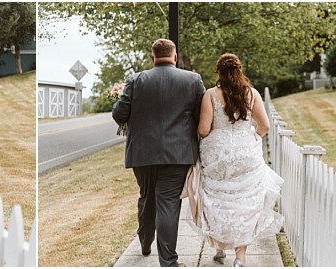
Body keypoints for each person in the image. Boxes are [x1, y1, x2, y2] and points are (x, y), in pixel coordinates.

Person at [112, 38, 206, 267]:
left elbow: (119, 114)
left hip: (142, 153)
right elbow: (200, 116)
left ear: (152, 57)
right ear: (175, 57)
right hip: (178, 153)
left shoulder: (135, 80)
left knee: (147, 197)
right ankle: (168, 262)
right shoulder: (192, 80)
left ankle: (145, 242)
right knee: (167, 202)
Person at [196, 53, 284, 267]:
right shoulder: (251, 93)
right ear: (239, 70)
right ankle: (240, 257)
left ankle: (220, 248)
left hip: (218, 155)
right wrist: (250, 136)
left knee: (220, 201)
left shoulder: (210, 95)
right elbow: (265, 126)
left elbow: (204, 129)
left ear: (218, 71)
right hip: (246, 153)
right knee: (245, 202)